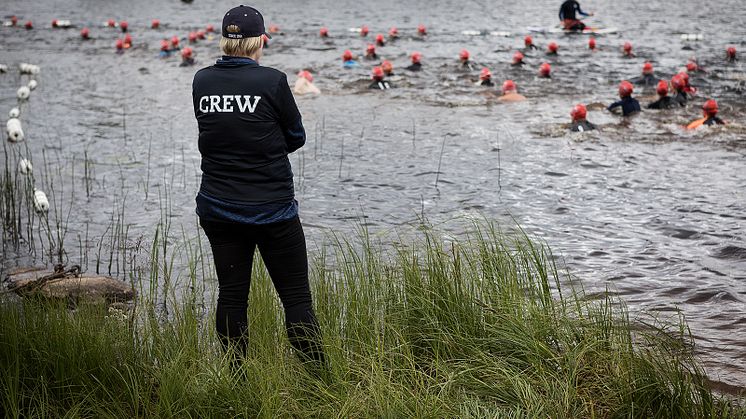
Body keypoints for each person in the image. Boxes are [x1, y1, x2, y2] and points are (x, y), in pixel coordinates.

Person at [191, 5, 324, 368]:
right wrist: (265, 143)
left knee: (232, 297)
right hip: (272, 209)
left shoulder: (201, 80)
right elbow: (296, 136)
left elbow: (217, 132)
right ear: (258, 42)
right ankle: (319, 379)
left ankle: (238, 378)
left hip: (217, 205)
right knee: (296, 299)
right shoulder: (272, 81)